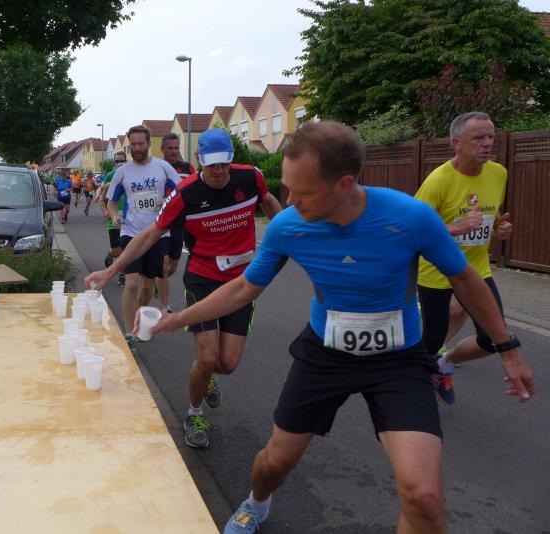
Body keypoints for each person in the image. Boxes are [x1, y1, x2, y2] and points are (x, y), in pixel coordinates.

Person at [147, 122, 535, 533]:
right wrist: (177, 319)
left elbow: (466, 279)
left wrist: (508, 349)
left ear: (344, 184)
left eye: (302, 192)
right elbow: (244, 288)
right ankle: (256, 503)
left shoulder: (410, 217)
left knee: (423, 498)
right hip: (325, 355)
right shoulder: (289, 225)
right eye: (287, 189)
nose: (290, 201)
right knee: (274, 464)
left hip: (398, 361)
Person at [87, 128, 281, 448]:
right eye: (211, 164)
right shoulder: (185, 193)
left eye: (224, 163)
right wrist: (111, 270)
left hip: (241, 282)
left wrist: (287, 236)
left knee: (227, 363)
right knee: (207, 357)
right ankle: (193, 414)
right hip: (203, 278)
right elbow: (150, 235)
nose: (218, 171)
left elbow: (271, 204)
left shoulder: (251, 179)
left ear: (232, 158)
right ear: (199, 160)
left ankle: (207, 377)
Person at [416, 111, 515, 405]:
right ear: (456, 143)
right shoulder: (438, 180)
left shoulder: (498, 173)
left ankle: (444, 364)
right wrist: (456, 228)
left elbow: (490, 215)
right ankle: (414, 385)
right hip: (436, 271)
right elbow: (415, 227)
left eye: (491, 137)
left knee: (494, 338)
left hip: (476, 269)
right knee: (432, 338)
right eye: (479, 138)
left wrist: (500, 228)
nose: (487, 143)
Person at [104, 125, 181, 341]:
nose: (137, 148)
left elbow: (181, 192)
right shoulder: (122, 172)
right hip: (130, 231)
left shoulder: (163, 167)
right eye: (133, 144)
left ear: (148, 144)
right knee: (131, 282)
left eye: (140, 144)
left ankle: (139, 317)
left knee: (147, 286)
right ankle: (130, 333)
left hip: (158, 232)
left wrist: (168, 201)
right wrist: (114, 216)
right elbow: (111, 202)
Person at [155, 132, 198, 312]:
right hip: (163, 222)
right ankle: (165, 307)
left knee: (172, 266)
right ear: (162, 149)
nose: (174, 151)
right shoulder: (156, 168)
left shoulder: (187, 168)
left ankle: (159, 281)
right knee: (164, 266)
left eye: (176, 148)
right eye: (170, 148)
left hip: (182, 223)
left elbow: (197, 188)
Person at [95, 151, 128, 286]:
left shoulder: (133, 177)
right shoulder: (110, 179)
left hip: (130, 220)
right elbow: (101, 195)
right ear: (114, 163)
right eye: (117, 161)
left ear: (126, 162)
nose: (119, 163)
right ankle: (110, 255)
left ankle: (123, 275)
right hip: (114, 219)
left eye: (122, 161)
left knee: (126, 249)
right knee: (116, 250)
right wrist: (105, 211)